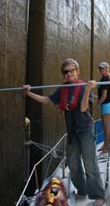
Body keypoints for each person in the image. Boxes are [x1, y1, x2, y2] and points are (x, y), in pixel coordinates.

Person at [23, 58, 105, 206]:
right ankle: (82, 189)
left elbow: (83, 108)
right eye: (65, 72)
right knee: (73, 164)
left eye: (71, 70)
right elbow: (46, 100)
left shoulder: (84, 86)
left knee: (90, 164)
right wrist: (29, 93)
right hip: (72, 131)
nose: (68, 74)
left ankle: (98, 195)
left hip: (85, 130)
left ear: (77, 71)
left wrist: (87, 90)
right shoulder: (62, 89)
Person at [97, 61, 110, 153]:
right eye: (100, 68)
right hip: (107, 104)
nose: (101, 70)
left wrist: (98, 104)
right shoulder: (104, 78)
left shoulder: (105, 79)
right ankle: (105, 145)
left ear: (107, 69)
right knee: (105, 127)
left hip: (106, 104)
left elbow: (104, 95)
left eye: (102, 68)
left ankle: (107, 147)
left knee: (106, 127)